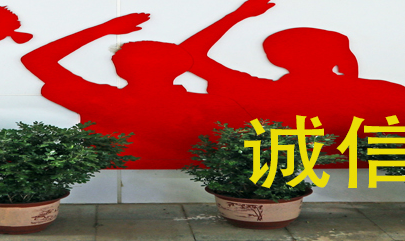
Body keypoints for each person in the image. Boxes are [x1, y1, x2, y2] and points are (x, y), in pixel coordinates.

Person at [181, 0, 405, 131]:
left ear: (274, 58)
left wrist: (238, 15)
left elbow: (186, 56)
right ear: (341, 57)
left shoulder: (256, 91)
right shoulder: (389, 93)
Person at [23, 13, 253, 164]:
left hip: (101, 182)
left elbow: (37, 60)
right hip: (194, 184)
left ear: (120, 69)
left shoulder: (98, 99)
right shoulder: (217, 105)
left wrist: (104, 29)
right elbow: (255, 141)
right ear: (180, 69)